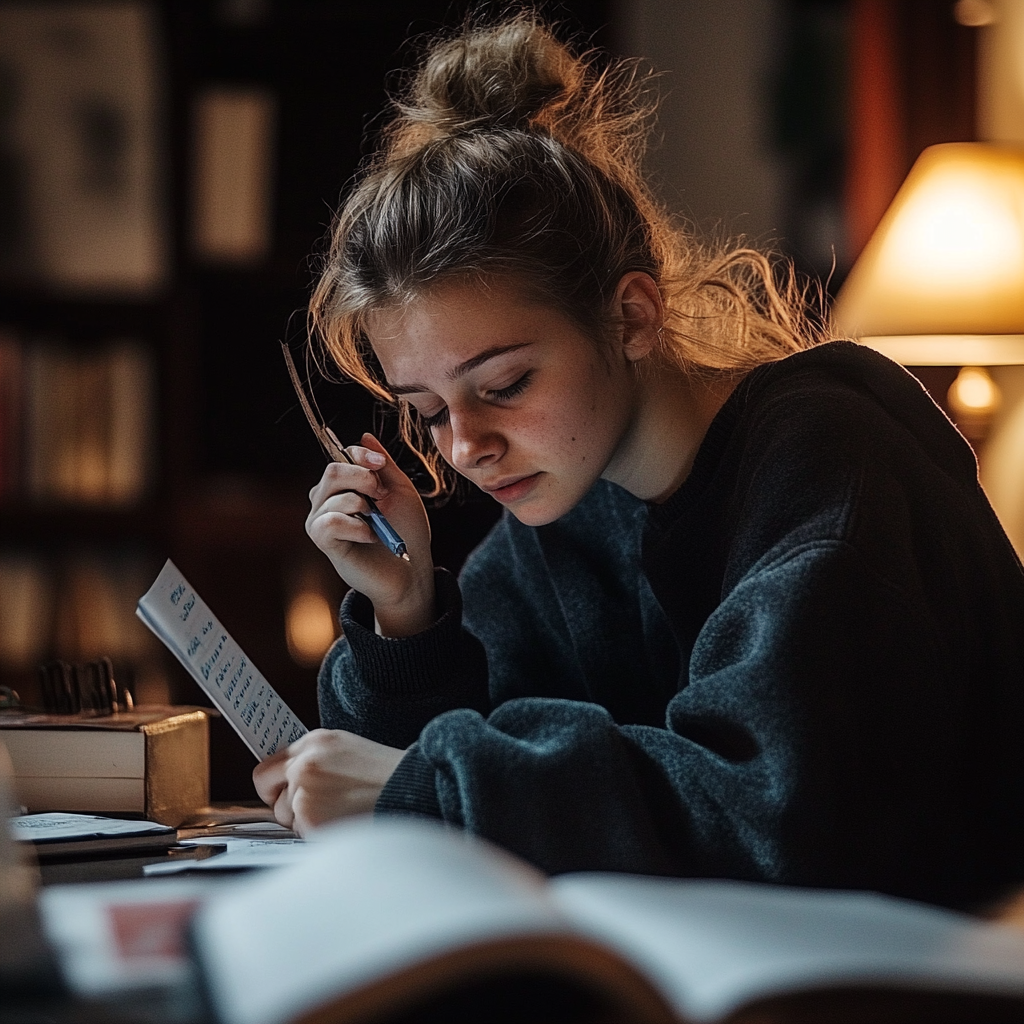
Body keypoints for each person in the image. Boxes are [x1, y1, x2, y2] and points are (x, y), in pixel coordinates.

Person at [254, 13, 1024, 909]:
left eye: (502, 384)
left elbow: (773, 807)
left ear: (631, 318)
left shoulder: (831, 461)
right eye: (427, 413)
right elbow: (427, 773)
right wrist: (407, 616)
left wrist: (423, 788)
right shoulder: (571, 508)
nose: (465, 447)